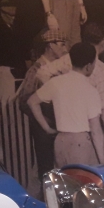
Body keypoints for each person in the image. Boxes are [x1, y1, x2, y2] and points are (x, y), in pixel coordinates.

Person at [37, 22, 104, 161]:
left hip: (62, 134)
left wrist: (58, 91)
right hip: (86, 135)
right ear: (103, 42)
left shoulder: (68, 59)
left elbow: (41, 73)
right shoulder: (101, 68)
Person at [27, 42, 104, 167]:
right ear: (88, 66)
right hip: (80, 144)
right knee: (84, 179)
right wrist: (103, 163)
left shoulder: (56, 82)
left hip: (60, 141)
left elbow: (32, 101)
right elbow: (96, 131)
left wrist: (47, 128)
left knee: (65, 179)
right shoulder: (90, 90)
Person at [18, 28, 68, 179]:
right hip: (43, 129)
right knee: (46, 170)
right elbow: (24, 101)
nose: (65, 49)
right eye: (61, 44)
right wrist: (44, 120)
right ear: (51, 45)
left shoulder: (61, 68)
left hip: (59, 125)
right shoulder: (35, 70)